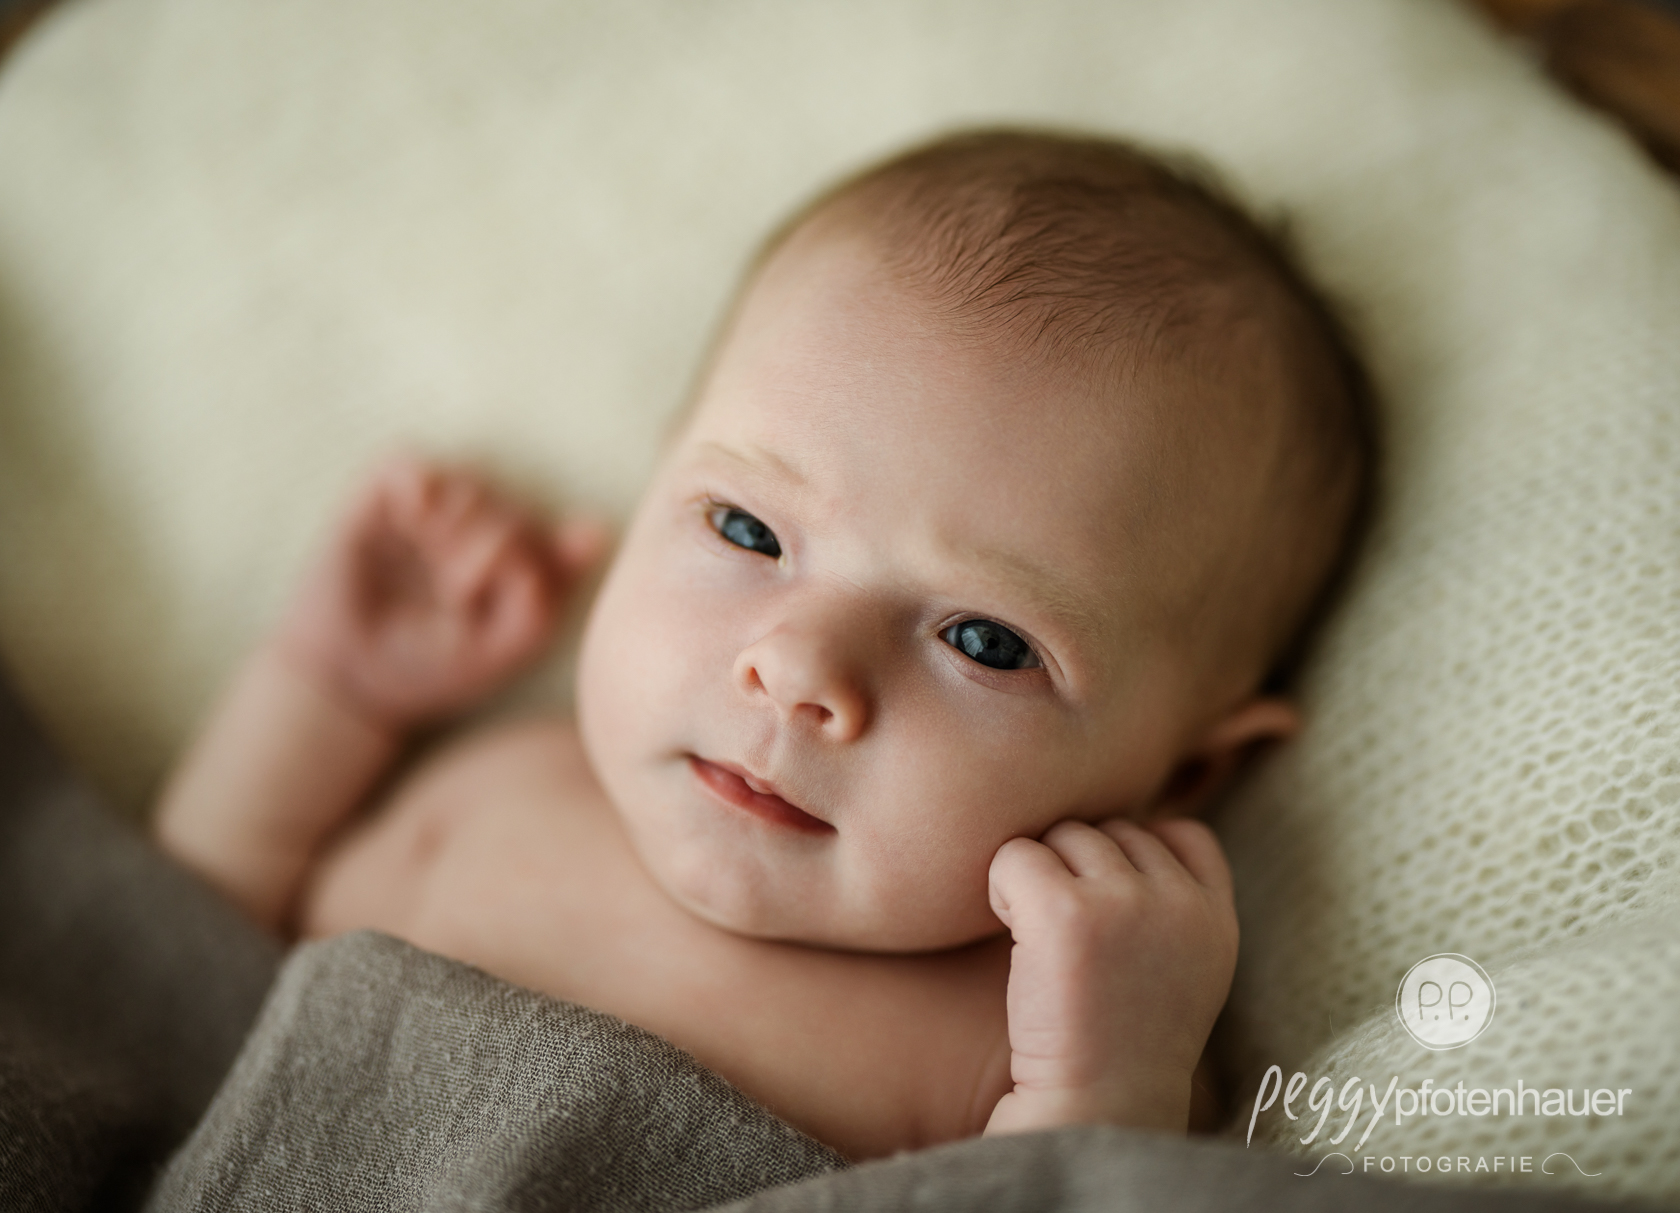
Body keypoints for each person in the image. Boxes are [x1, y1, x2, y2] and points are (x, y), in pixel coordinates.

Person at [154, 129, 1371, 1161]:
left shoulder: (1032, 1032)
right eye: (748, 527)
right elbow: (168, 973)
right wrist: (327, 691)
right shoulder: (491, 783)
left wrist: (1110, 1091)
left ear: (1184, 773)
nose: (798, 673)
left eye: (986, 640)